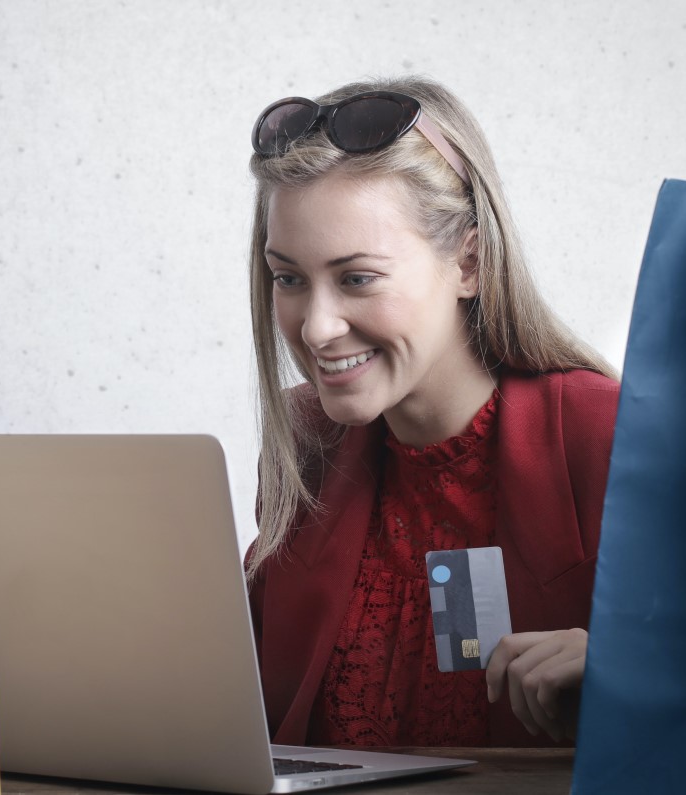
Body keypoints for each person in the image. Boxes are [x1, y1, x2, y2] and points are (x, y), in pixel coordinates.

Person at [242, 76, 619, 748]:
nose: (317, 327)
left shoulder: (604, 434)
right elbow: (250, 704)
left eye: (356, 277)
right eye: (289, 277)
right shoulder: (306, 445)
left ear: (469, 262)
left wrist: (635, 675)